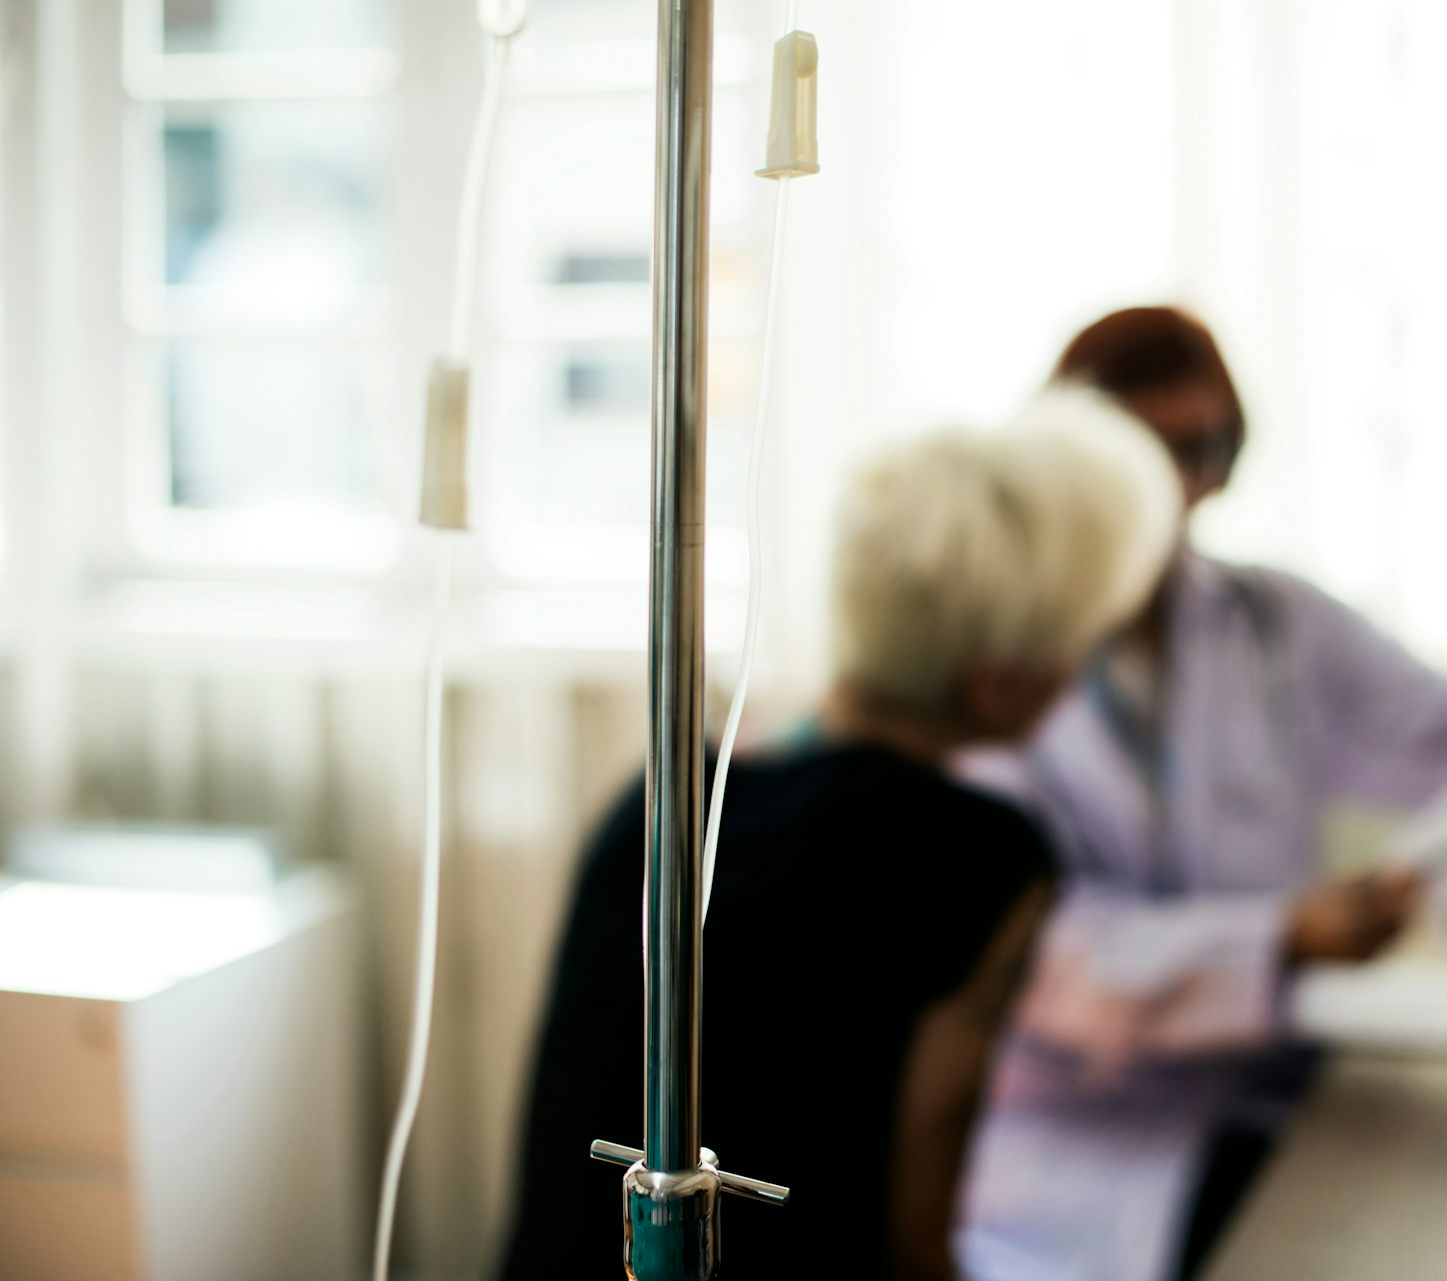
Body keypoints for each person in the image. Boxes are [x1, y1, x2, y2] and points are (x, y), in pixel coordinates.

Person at [954, 307, 1447, 1281]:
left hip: (1272, 1091)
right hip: (1085, 1148)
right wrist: (1281, 936)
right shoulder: (990, 664)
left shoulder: (1271, 622)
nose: (1194, 486)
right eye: (1161, 454)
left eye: (1213, 450)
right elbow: (1033, 954)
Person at [495, 391, 1183, 1281]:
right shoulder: (984, 857)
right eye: (1077, 646)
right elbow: (916, 1217)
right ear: (996, 684)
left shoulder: (665, 793)